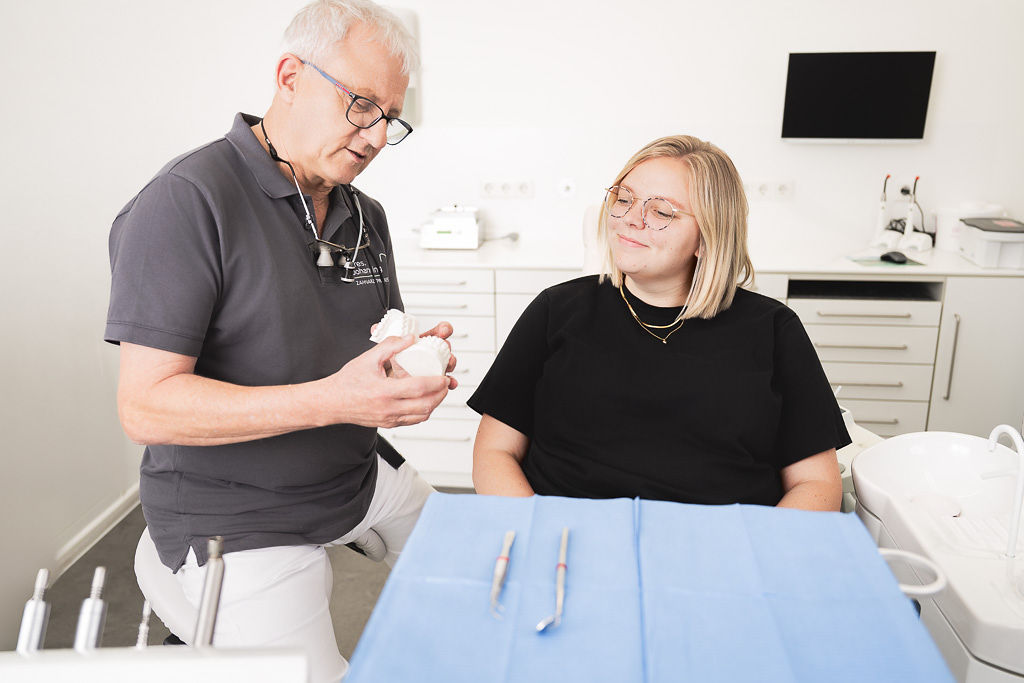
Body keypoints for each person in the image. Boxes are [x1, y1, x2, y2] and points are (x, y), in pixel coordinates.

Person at [104, 1, 454, 680]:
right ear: (290, 76)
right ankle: (189, 585)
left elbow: (366, 342)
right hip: (238, 512)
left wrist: (409, 363)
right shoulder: (186, 202)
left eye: (391, 116)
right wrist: (334, 399)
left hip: (353, 472)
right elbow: (145, 407)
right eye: (361, 105)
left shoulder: (362, 213)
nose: (378, 135)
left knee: (486, 568)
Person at [468, 135, 848, 511]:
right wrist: (537, 532)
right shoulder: (556, 310)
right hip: (567, 544)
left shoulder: (773, 330)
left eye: (662, 211)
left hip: (719, 551)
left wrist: (748, 560)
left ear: (708, 237)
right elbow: (495, 451)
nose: (630, 218)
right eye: (624, 198)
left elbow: (816, 483)